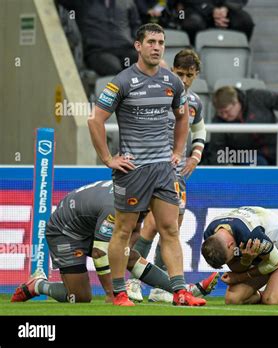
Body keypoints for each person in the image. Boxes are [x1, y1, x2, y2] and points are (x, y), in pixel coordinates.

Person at [87, 23, 204, 307]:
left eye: (161, 42)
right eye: (151, 42)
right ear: (138, 46)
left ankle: (179, 291)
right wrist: (108, 159)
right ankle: (119, 293)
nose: (156, 47)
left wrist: (178, 150)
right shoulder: (122, 81)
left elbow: (183, 117)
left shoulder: (172, 82)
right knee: (125, 232)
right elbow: (95, 120)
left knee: (170, 229)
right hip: (133, 171)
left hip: (164, 171)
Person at [10, 181, 218, 304]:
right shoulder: (118, 207)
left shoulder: (139, 200)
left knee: (129, 255)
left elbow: (129, 240)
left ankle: (181, 290)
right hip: (66, 231)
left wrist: (128, 256)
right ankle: (38, 285)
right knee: (80, 298)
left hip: (88, 222)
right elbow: (101, 252)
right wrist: (113, 293)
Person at [126, 49, 211, 302]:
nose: (184, 80)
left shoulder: (194, 102)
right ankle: (132, 281)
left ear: (196, 76)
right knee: (149, 226)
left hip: (177, 174)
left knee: (171, 228)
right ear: (172, 71)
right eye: (181, 74)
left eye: (190, 76)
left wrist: (195, 155)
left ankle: (160, 286)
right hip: (149, 169)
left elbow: (200, 130)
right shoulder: (157, 94)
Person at [201, 206, 278, 306]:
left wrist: (240, 277)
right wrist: (246, 260)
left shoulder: (251, 235)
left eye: (230, 257)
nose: (230, 262)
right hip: (265, 253)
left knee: (272, 300)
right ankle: (272, 291)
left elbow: (276, 263)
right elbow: (237, 267)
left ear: (230, 245)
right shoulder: (212, 237)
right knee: (233, 299)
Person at [206, 86, 278, 166]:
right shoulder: (218, 121)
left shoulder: (256, 96)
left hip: (277, 147)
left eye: (226, 111)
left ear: (236, 102)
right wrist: (225, 166)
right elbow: (217, 149)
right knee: (259, 172)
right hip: (247, 155)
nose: (224, 116)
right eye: (220, 113)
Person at [57, 0, 141, 76]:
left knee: (145, 62)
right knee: (114, 69)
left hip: (126, 49)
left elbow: (135, 25)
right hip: (99, 51)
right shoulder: (83, 3)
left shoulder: (127, 2)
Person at [177, 0, 254, 45]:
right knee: (192, 24)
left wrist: (226, 7)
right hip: (196, 7)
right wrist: (210, 9)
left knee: (244, 22)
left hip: (227, 6)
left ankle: (236, 61)